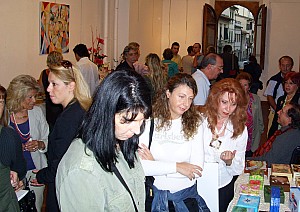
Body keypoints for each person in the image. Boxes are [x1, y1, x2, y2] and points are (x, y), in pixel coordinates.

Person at [56, 69, 152, 211]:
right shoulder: (82, 171)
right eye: (127, 121)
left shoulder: (123, 142)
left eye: (141, 121)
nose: (137, 130)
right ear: (105, 113)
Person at [139, 73, 210, 211]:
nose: (186, 104)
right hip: (154, 198)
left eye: (190, 99)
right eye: (181, 96)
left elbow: (196, 170)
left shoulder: (196, 123)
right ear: (168, 93)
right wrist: (178, 167)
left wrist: (156, 165)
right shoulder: (149, 122)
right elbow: (141, 167)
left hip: (185, 198)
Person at [32, 60, 91, 212]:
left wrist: (40, 177)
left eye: (54, 84)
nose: (48, 89)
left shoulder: (69, 118)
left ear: (71, 86)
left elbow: (60, 163)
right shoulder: (81, 109)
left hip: (65, 188)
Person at [199, 78, 248, 212]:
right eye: (224, 102)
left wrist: (229, 162)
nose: (228, 109)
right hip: (196, 182)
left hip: (222, 184)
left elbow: (238, 169)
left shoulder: (240, 129)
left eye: (233, 104)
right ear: (215, 99)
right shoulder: (199, 120)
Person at [6, 75, 49, 212]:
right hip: (11, 175)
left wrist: (40, 144)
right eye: (30, 97)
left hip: (35, 171)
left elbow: (47, 139)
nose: (34, 101)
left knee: (35, 206)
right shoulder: (5, 115)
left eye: (35, 96)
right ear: (18, 96)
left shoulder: (37, 112)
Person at [0, 85, 26, 212]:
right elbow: (19, 169)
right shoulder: (7, 135)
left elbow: (18, 170)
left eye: (0, 102)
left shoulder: (8, 135)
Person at [236, 72, 264, 157]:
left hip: (252, 135)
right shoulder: (233, 99)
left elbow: (260, 118)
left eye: (245, 85)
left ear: (249, 87)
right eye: (240, 84)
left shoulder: (255, 99)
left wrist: (260, 132)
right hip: (238, 135)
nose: (242, 87)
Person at [264, 55, 294, 131]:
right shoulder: (274, 80)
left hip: (292, 115)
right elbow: (269, 96)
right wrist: (278, 109)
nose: (285, 68)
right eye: (283, 65)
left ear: (292, 66)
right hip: (276, 112)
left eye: (288, 65)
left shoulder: (296, 81)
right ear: (280, 66)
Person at [268, 72, 300, 138]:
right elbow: (275, 119)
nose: (287, 86)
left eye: (291, 83)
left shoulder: (298, 101)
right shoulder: (281, 99)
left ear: (297, 85)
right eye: (286, 82)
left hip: (292, 134)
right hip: (278, 131)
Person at [38, 51, 63, 130]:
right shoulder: (61, 74)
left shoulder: (44, 73)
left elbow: (41, 89)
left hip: (49, 106)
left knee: (51, 128)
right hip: (60, 106)